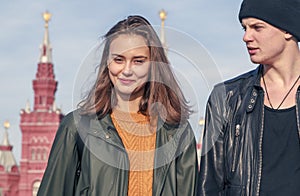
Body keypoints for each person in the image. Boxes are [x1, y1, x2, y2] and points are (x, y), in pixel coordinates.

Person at [37, 15, 198, 196]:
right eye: (119, 60)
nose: (127, 70)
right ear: (107, 63)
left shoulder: (177, 132)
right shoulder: (77, 126)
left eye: (138, 61)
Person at [197, 0, 300, 195]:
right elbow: (210, 186)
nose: (246, 37)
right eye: (244, 28)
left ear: (288, 30)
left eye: (257, 27)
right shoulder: (225, 98)